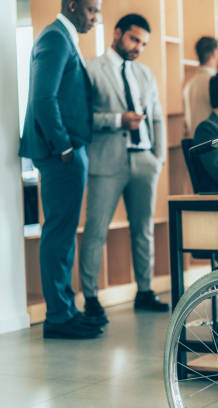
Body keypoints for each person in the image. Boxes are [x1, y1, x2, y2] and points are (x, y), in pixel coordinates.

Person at [19, 0, 103, 339]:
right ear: (72, 6)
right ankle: (57, 316)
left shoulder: (64, 38)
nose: (95, 19)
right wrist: (65, 146)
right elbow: (43, 98)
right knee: (58, 231)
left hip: (68, 151)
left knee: (65, 232)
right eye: (91, 11)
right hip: (60, 154)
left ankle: (65, 309)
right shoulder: (54, 38)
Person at [78, 13, 169, 321]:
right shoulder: (90, 69)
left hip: (144, 159)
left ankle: (144, 291)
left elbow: (156, 115)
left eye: (143, 43)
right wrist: (118, 120)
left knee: (143, 229)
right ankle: (90, 296)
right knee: (96, 229)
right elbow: (83, 118)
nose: (138, 48)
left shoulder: (145, 73)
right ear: (116, 33)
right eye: (134, 39)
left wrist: (158, 157)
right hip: (106, 160)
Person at [183, 36, 218, 138]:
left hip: (195, 144)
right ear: (215, 53)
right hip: (214, 143)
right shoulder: (217, 81)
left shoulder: (189, 84)